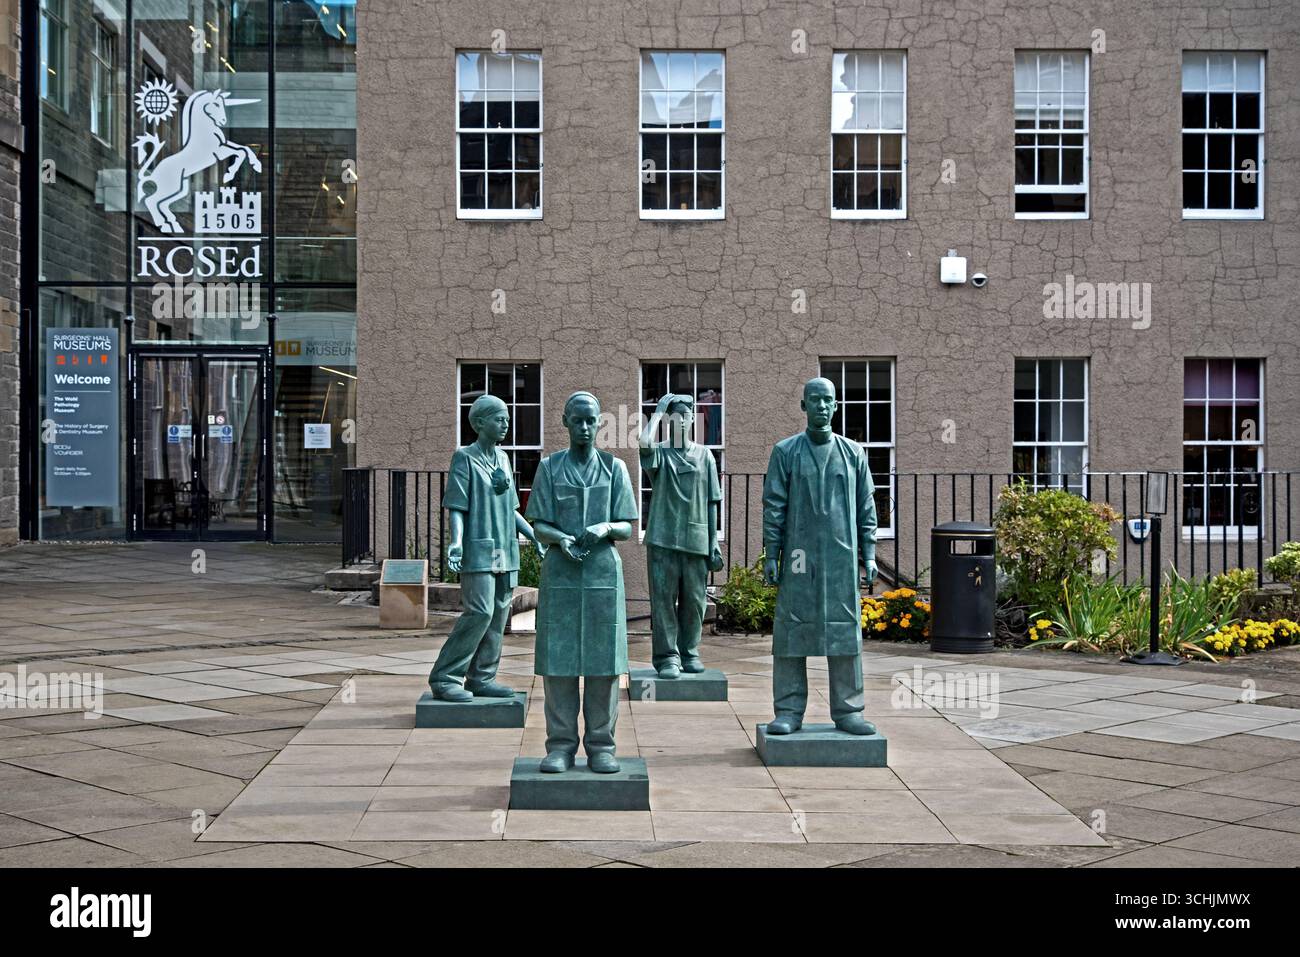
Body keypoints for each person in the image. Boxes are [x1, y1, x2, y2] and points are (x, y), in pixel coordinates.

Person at [527, 391, 639, 773]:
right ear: (565, 422)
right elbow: (539, 525)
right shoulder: (550, 468)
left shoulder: (614, 468)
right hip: (561, 573)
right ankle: (560, 745)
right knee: (558, 662)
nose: (585, 427)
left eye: (592, 421)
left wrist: (605, 527)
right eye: (578, 421)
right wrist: (560, 539)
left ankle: (601, 746)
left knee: (603, 663)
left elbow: (627, 526)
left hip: (603, 574)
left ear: (600, 423)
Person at [761, 377, 879, 736]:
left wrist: (870, 554)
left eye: (828, 400)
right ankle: (788, 710)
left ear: (836, 405)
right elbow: (774, 506)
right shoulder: (786, 452)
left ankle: (849, 710)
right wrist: (772, 554)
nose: (822, 406)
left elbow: (866, 506)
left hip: (841, 557)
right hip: (798, 556)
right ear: (804, 405)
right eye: (815, 400)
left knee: (844, 631)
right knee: (791, 631)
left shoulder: (853, 453)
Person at [427, 394, 543, 702]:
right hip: (478, 549)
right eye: (499, 419)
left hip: (505, 549)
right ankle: (445, 677)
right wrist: (456, 542)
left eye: (507, 419)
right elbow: (457, 505)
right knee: (479, 612)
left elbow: (511, 509)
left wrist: (533, 536)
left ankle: (482, 678)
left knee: (498, 617)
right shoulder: (464, 458)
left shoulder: (503, 459)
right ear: (479, 423)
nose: (506, 424)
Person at [639, 393, 723, 678]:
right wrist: (658, 412)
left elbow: (712, 501)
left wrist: (713, 542)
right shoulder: (659, 453)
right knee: (663, 601)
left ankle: (689, 651)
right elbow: (644, 444)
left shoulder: (705, 456)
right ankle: (667, 657)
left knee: (695, 602)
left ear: (693, 419)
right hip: (662, 537)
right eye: (674, 417)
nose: (681, 421)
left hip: (696, 538)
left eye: (685, 416)